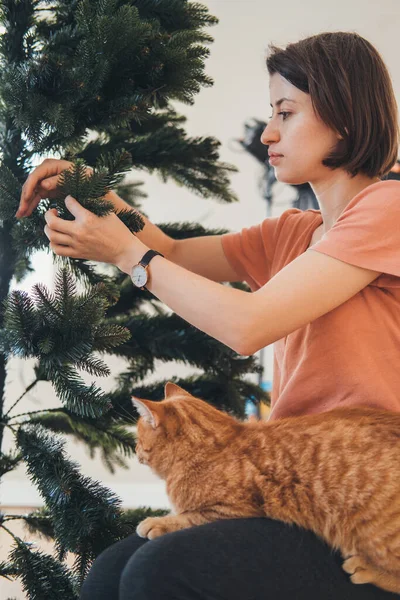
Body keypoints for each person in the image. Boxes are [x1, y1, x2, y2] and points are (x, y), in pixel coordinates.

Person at [15, 31, 400, 599]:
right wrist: (92, 191)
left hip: (361, 500)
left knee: (157, 572)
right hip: (290, 484)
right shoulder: (294, 233)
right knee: (109, 572)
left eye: (285, 113)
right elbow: (168, 252)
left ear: (344, 116)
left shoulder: (388, 209)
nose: (268, 133)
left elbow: (246, 325)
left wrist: (127, 254)